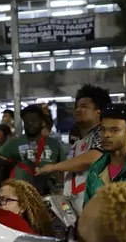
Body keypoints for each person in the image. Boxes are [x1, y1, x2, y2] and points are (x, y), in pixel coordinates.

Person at [36, 84, 110, 213]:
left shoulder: (103, 133)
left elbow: (94, 157)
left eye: (84, 106)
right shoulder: (77, 143)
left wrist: (54, 167)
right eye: (77, 107)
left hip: (96, 207)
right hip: (76, 209)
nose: (78, 110)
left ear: (98, 112)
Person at [0, 104, 63, 195]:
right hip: (21, 194)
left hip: (48, 193)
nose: (30, 123)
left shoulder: (54, 144)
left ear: (42, 122)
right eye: (26, 121)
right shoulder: (13, 143)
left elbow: (64, 168)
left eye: (33, 120)